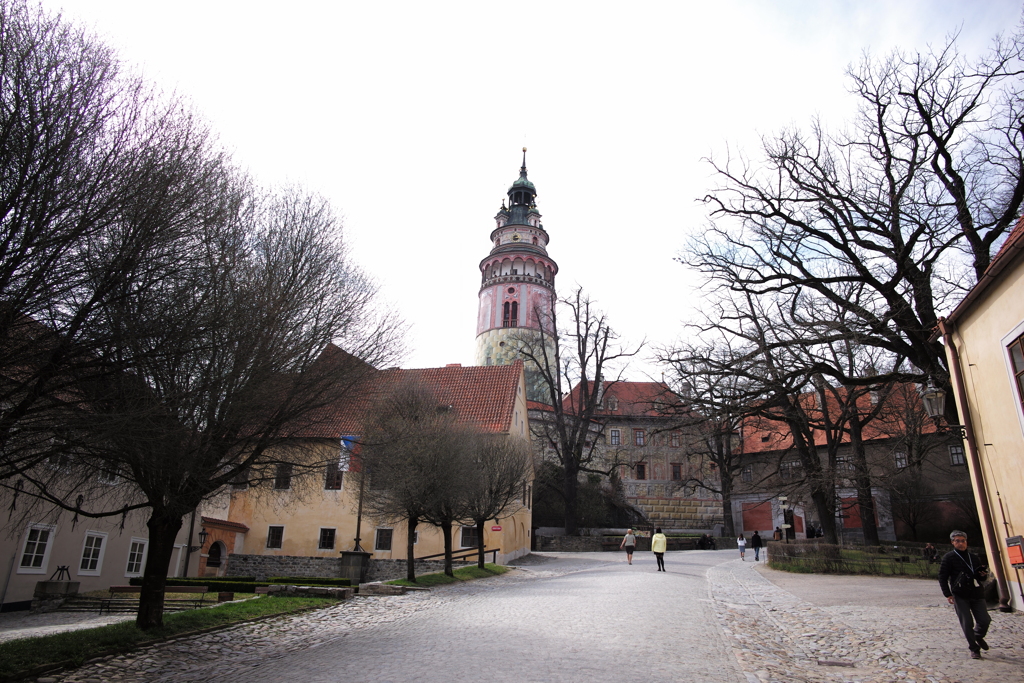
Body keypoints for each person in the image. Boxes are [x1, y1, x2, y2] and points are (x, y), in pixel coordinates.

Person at [938, 530, 992, 660]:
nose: (961, 543)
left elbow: (979, 577)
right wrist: (948, 594)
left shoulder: (973, 557)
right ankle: (974, 648)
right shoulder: (949, 557)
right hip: (960, 594)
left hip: (976, 593)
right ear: (952, 542)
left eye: (963, 541)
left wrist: (982, 575)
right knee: (967, 622)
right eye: (957, 541)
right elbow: (942, 577)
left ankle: (977, 635)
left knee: (985, 620)